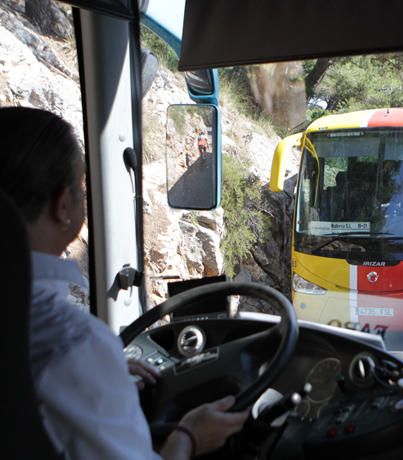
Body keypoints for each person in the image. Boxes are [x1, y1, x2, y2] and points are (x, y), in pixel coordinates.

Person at [0, 107, 248, 459]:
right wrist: (190, 437)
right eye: (82, 186)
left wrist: (103, 374)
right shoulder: (72, 342)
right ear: (63, 204)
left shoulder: (51, 338)